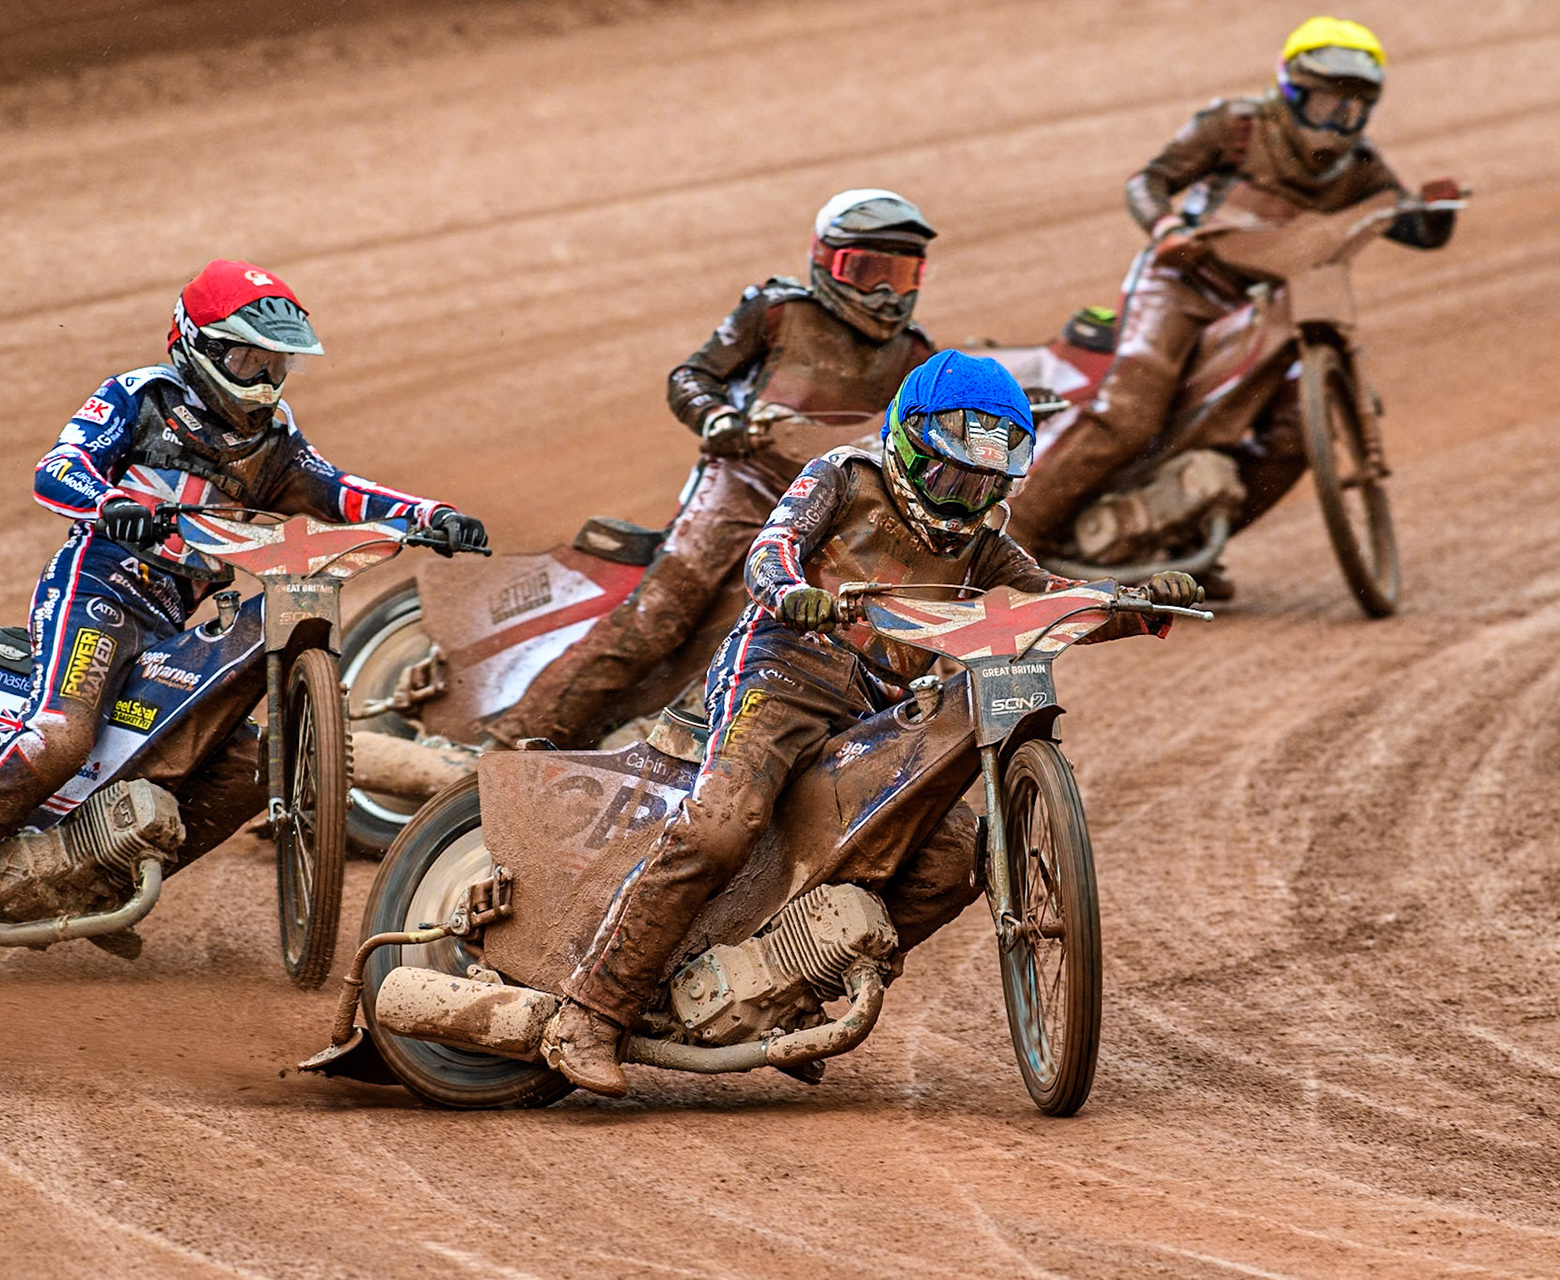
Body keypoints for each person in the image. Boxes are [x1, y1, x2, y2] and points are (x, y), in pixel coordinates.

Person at [542, 351, 1201, 1096]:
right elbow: (772, 549)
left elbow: (1050, 602)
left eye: (984, 484)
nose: (962, 501)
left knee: (954, 858)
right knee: (725, 822)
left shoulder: (985, 545)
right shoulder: (844, 477)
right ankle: (590, 1013)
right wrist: (793, 594)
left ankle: (787, 999)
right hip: (783, 668)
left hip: (882, 711)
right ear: (908, 444)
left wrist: (1136, 603)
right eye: (950, 476)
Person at [0, 260, 487, 959]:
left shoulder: (273, 435)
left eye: (276, 361)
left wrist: (431, 516)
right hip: (99, 589)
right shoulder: (140, 396)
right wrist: (112, 505)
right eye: (248, 357)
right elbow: (58, 468)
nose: (263, 377)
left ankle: (97, 885)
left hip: (173, 618)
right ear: (200, 343)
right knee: (62, 735)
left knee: (252, 767)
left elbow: (339, 491)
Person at [1006, 16, 1459, 589]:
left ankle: (1183, 545)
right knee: (1131, 413)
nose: (1337, 122)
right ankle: (1016, 541)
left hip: (1269, 306)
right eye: (1324, 104)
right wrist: (1166, 228)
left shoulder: (1360, 169)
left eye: (1351, 109)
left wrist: (1436, 213)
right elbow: (1148, 181)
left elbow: (1412, 228)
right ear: (1290, 90)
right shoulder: (1237, 126)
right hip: (1182, 284)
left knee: (1298, 436)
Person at [487, 189, 938, 748]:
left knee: (786, 642)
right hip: (740, 484)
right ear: (827, 261)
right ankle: (507, 743)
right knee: (657, 620)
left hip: (826, 510)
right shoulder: (778, 311)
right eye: (869, 271)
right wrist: (717, 417)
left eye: (903, 275)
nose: (887, 294)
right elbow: (690, 376)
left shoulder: (916, 354)